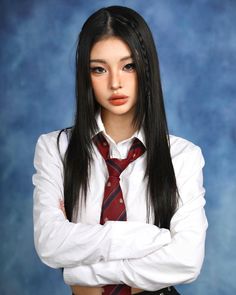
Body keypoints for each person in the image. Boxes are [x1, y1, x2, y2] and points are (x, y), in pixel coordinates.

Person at [32, 5, 208, 295]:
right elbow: (50, 243)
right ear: (85, 76)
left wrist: (85, 270)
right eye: (99, 69)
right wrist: (150, 238)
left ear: (146, 68)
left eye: (129, 66)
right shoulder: (55, 149)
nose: (115, 83)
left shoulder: (183, 156)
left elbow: (187, 261)